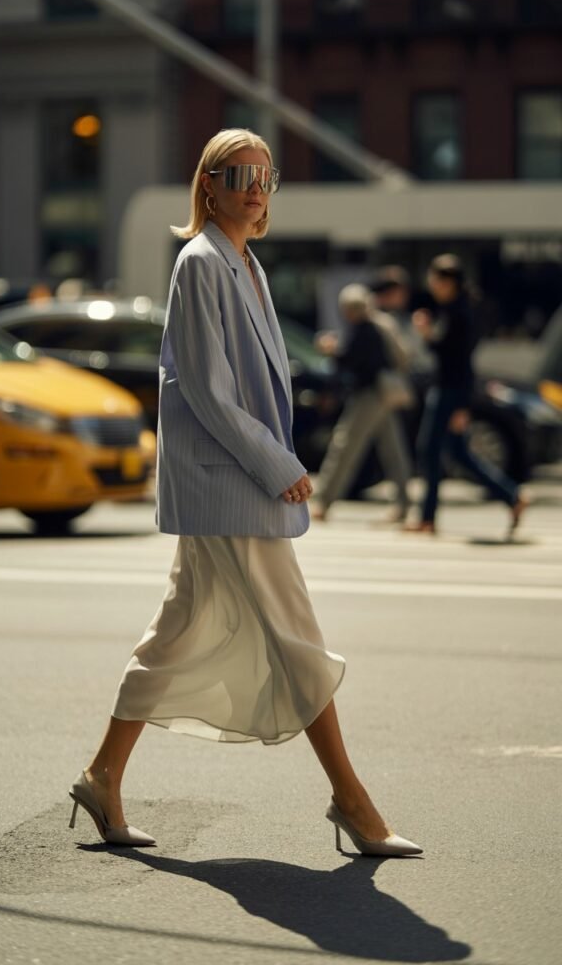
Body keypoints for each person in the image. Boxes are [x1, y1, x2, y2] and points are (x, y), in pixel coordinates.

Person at [67, 128, 421, 858]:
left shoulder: (245, 263)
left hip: (231, 482)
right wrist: (276, 463)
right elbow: (207, 388)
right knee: (297, 636)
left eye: (267, 176)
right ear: (210, 187)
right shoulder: (201, 263)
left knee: (172, 635)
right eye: (241, 175)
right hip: (227, 482)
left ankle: (102, 777)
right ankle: (352, 801)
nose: (258, 189)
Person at [406, 254, 528, 536]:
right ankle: (512, 496)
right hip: (449, 389)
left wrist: (462, 406)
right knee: (458, 454)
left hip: (450, 392)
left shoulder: (459, 312)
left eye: (436, 280)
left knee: (430, 450)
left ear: (449, 282)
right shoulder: (454, 309)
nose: (432, 285)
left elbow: (458, 361)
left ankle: (427, 518)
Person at [311, 284, 413, 524]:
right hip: (383, 396)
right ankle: (404, 503)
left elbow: (353, 363)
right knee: (393, 451)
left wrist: (332, 350)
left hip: (369, 396)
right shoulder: (377, 326)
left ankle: (324, 501)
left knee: (344, 446)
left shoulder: (365, 329)